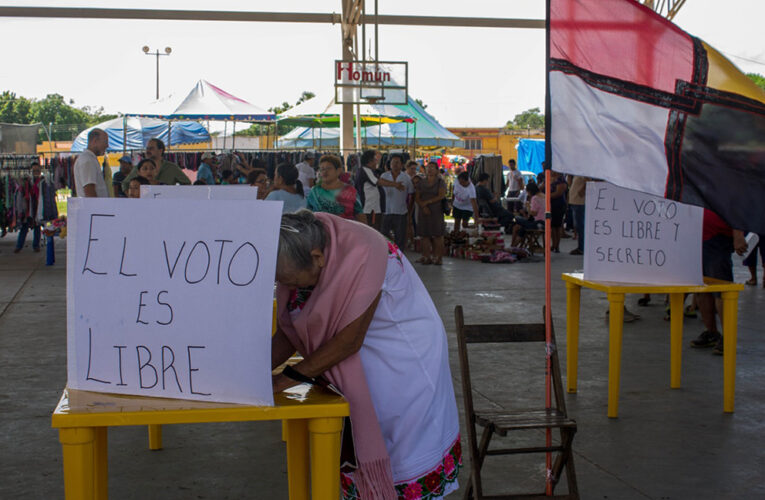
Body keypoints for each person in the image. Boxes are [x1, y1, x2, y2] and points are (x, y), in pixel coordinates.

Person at [272, 210, 461, 499]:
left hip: (404, 363)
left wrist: (284, 380)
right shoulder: (310, 250)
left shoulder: (363, 252)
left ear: (317, 257)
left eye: (290, 280)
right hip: (363, 364)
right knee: (365, 455)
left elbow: (348, 340)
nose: (288, 288)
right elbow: (291, 327)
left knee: (402, 461)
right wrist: (250, 371)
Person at [691, 210, 748, 355]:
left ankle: (728, 337)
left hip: (718, 238)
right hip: (694, 237)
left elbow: (735, 205)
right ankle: (711, 332)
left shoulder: (728, 187)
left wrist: (738, 234)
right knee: (700, 288)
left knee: (721, 291)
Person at [307, 154, 366, 223]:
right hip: (321, 232)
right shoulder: (314, 191)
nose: (325, 172)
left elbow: (360, 215)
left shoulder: (350, 191)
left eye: (329, 168)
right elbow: (308, 216)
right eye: (322, 169)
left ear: (338, 171)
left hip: (346, 231)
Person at [357, 150, 405, 232]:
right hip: (369, 208)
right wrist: (396, 184)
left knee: (376, 229)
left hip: (374, 208)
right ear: (370, 161)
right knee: (372, 231)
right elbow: (378, 182)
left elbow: (379, 180)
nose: (377, 162)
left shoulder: (370, 171)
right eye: (375, 160)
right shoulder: (365, 170)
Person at [121, 138, 190, 191]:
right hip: (143, 204)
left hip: (165, 205)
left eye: (151, 148)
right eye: (147, 148)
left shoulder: (172, 168)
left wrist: (175, 195)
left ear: (160, 150)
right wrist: (133, 196)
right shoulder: (139, 167)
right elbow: (125, 184)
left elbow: (187, 184)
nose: (148, 151)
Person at [415, 161, 447, 265]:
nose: (430, 169)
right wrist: (423, 206)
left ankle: (438, 257)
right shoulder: (421, 182)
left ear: (437, 170)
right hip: (423, 210)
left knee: (438, 234)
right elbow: (417, 197)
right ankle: (426, 256)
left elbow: (441, 195)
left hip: (436, 210)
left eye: (432, 167)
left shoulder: (440, 182)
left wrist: (427, 202)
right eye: (428, 167)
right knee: (424, 235)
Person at [380, 153, 415, 250]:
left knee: (400, 238)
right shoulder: (384, 176)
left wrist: (409, 211)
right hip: (386, 211)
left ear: (402, 165)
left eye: (397, 162)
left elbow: (411, 194)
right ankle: (387, 256)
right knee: (384, 236)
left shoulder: (406, 178)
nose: (395, 164)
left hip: (400, 212)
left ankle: (399, 259)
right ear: (390, 164)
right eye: (393, 162)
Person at [14, 161, 44, 253]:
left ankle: (36, 246)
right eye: (34, 170)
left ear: (40, 171)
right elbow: (21, 195)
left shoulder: (42, 182)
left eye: (37, 170)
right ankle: (19, 246)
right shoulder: (26, 182)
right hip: (27, 208)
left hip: (37, 207)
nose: (35, 172)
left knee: (37, 227)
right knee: (24, 227)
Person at [74, 128, 109, 198]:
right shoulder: (87, 160)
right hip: (93, 208)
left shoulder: (90, 159)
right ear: (95, 141)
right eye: (105, 142)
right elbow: (89, 191)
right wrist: (96, 208)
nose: (107, 145)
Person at [510, 182, 545, 247]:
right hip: (544, 222)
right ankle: (514, 246)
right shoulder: (544, 196)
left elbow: (533, 213)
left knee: (515, 219)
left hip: (537, 223)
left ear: (530, 191)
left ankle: (513, 246)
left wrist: (528, 206)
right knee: (520, 228)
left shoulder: (535, 198)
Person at [568, 176, 591, 255]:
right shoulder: (576, 174)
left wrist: (582, 190)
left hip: (579, 202)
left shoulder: (582, 172)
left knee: (580, 226)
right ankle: (580, 246)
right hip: (575, 201)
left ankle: (582, 247)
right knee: (578, 226)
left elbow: (588, 180)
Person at [547, 170, 568, 253]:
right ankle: (553, 244)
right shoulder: (549, 178)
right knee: (551, 226)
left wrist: (547, 196)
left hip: (558, 204)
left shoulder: (561, 180)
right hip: (550, 204)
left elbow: (558, 193)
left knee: (557, 225)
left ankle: (557, 245)